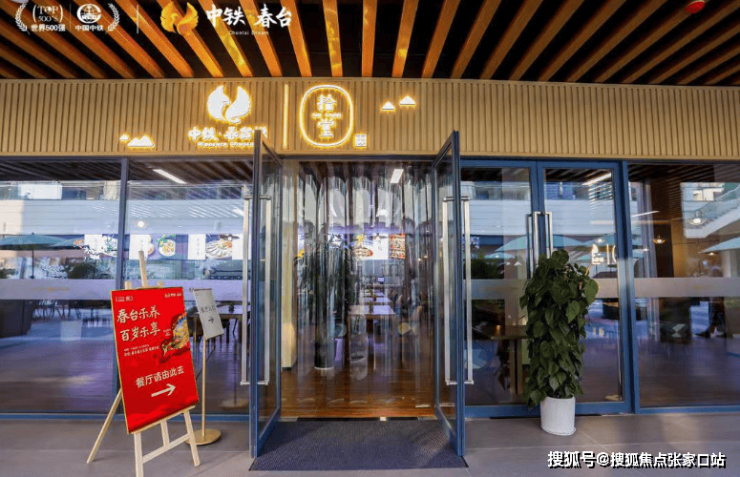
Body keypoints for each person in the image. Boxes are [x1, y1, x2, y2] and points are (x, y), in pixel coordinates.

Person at [696, 263, 726, 338]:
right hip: (715, 301)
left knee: (714, 317)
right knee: (717, 317)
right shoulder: (716, 274)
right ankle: (722, 332)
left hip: (715, 301)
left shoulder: (715, 273)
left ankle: (707, 332)